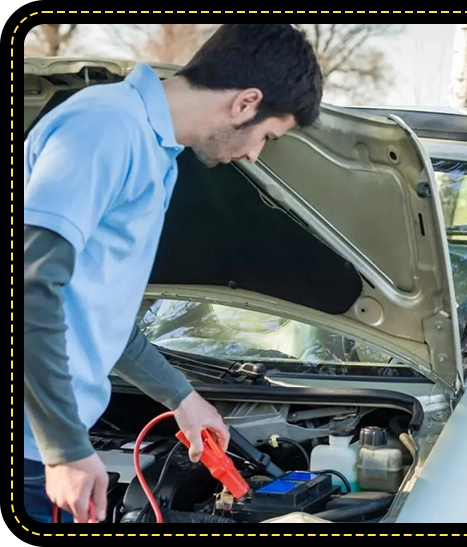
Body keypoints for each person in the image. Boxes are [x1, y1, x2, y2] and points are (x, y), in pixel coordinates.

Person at [24, 24, 323, 524]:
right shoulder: (106, 129)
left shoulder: (156, 152)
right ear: (246, 101)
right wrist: (65, 449)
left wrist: (181, 397)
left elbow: (98, 313)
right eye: (268, 137)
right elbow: (31, 286)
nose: (254, 154)